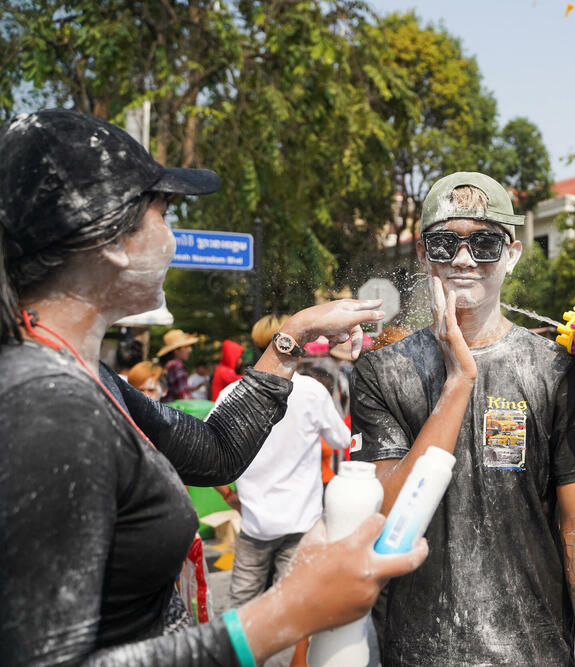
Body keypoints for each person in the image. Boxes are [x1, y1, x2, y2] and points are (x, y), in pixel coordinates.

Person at [0, 109, 426, 664]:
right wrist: (288, 611)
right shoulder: (48, 406)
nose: (172, 237)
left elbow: (214, 452)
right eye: (163, 213)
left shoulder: (85, 376)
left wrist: (292, 338)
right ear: (112, 240)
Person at [351, 172, 575, 666]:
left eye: (484, 243)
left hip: (533, 650)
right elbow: (386, 515)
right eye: (445, 243)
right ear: (423, 254)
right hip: (418, 651)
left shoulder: (556, 370)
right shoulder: (382, 372)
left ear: (511, 254)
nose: (463, 259)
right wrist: (458, 380)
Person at [212, 314, 350, 610]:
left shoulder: (231, 394)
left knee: (241, 608)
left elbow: (206, 452)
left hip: (254, 521)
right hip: (302, 520)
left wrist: (227, 495)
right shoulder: (312, 391)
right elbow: (342, 440)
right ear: (298, 347)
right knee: (293, 606)